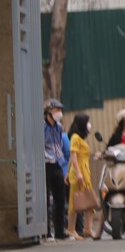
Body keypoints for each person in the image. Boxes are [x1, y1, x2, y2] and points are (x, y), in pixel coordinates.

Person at [66, 113, 101, 240]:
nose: (89, 125)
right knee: (74, 202)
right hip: (79, 174)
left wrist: (68, 172)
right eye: (87, 122)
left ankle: (88, 229)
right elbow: (73, 156)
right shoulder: (75, 137)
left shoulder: (80, 139)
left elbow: (73, 157)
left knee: (90, 200)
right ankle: (71, 229)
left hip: (84, 173)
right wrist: (77, 172)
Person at [42, 99, 69, 240]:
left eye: (60, 110)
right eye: (56, 110)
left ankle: (59, 231)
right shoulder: (41, 127)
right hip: (45, 164)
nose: (59, 113)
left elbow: (58, 146)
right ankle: (46, 231)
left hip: (56, 164)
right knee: (45, 199)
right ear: (48, 112)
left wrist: (62, 164)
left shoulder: (59, 127)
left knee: (60, 199)